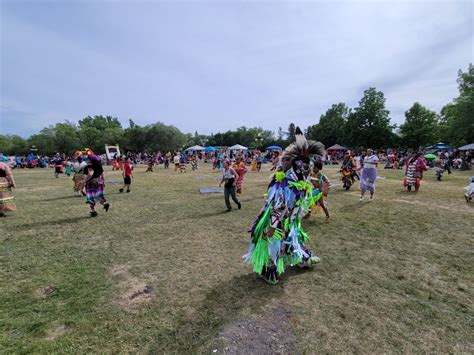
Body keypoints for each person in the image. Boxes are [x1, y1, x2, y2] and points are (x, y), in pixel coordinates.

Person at [243, 127, 329, 284]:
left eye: (308, 167)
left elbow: (305, 204)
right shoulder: (283, 185)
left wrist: (319, 192)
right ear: (295, 166)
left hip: (291, 224)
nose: (307, 171)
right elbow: (278, 206)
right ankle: (268, 269)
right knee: (275, 247)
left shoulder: (302, 185)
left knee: (294, 240)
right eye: (304, 167)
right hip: (276, 225)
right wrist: (273, 227)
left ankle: (302, 259)